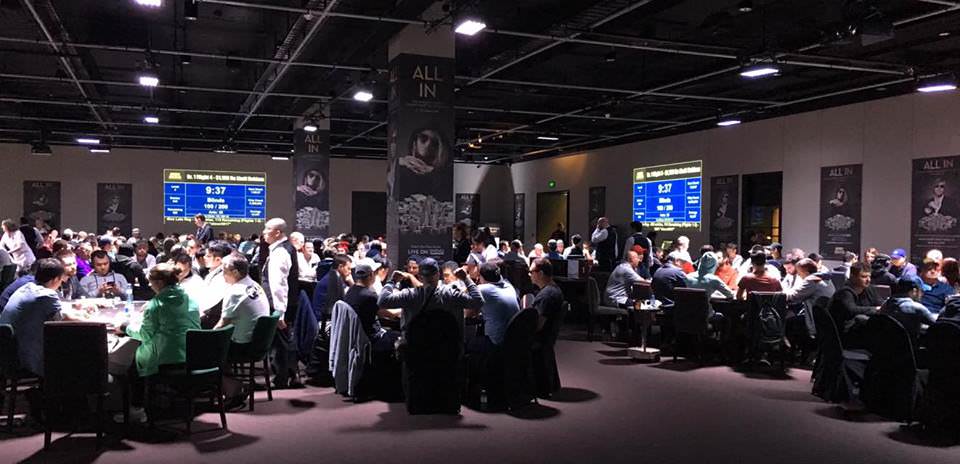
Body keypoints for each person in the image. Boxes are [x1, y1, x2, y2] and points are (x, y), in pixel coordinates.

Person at [113, 263, 201, 422]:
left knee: (132, 366)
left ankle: (137, 409)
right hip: (191, 354)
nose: (150, 285)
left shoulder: (156, 304)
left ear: (159, 283)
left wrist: (125, 327)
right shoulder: (191, 299)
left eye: (150, 282)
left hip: (167, 357)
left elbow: (144, 334)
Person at [0, 259, 70, 377]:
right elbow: (66, 318)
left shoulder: (27, 287)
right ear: (55, 279)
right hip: (24, 357)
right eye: (60, 280)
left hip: (7, 352)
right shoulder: (46, 294)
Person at [377, 257, 483, 335]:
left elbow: (382, 301)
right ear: (438, 275)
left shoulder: (410, 295)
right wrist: (466, 278)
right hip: (445, 349)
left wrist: (392, 281)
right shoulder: (450, 294)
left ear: (420, 276)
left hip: (415, 347)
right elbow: (478, 301)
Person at [261, 218, 300, 388]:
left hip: (279, 305)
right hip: (284, 304)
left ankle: (282, 378)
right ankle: (291, 375)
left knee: (280, 343)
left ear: (277, 232)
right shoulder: (283, 249)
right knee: (284, 341)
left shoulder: (280, 252)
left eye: (267, 229)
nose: (264, 232)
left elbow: (279, 285)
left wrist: (279, 312)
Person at [343, 263, 401, 353]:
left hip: (355, 337)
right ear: (371, 275)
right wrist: (403, 308)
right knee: (400, 337)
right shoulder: (369, 296)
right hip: (371, 339)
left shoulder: (351, 290)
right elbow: (390, 314)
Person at [215, 253, 270, 344]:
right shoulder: (255, 284)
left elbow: (222, 324)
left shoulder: (235, 292)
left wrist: (208, 339)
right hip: (259, 340)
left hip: (241, 344)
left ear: (235, 272)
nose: (222, 274)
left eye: (224, 271)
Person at [783, 258, 836, 339]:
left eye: (799, 272)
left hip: (815, 320)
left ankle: (799, 346)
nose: (798, 275)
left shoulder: (811, 280)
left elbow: (794, 296)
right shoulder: (824, 278)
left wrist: (778, 294)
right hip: (826, 318)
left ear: (806, 272)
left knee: (788, 323)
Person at [829, 262, 882, 340]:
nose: (868, 280)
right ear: (852, 277)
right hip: (846, 333)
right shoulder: (845, 292)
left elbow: (880, 303)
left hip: (862, 329)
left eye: (869, 276)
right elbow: (852, 310)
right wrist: (875, 309)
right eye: (864, 277)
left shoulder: (869, 289)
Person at [474, 262, 520, 349]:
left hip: (495, 343)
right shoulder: (509, 286)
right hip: (513, 340)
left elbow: (469, 314)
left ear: (481, 277)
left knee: (467, 344)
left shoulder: (482, 289)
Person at [528, 258, 565, 333]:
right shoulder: (555, 289)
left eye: (531, 272)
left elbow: (537, 326)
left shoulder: (546, 296)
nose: (529, 274)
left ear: (541, 274)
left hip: (538, 338)